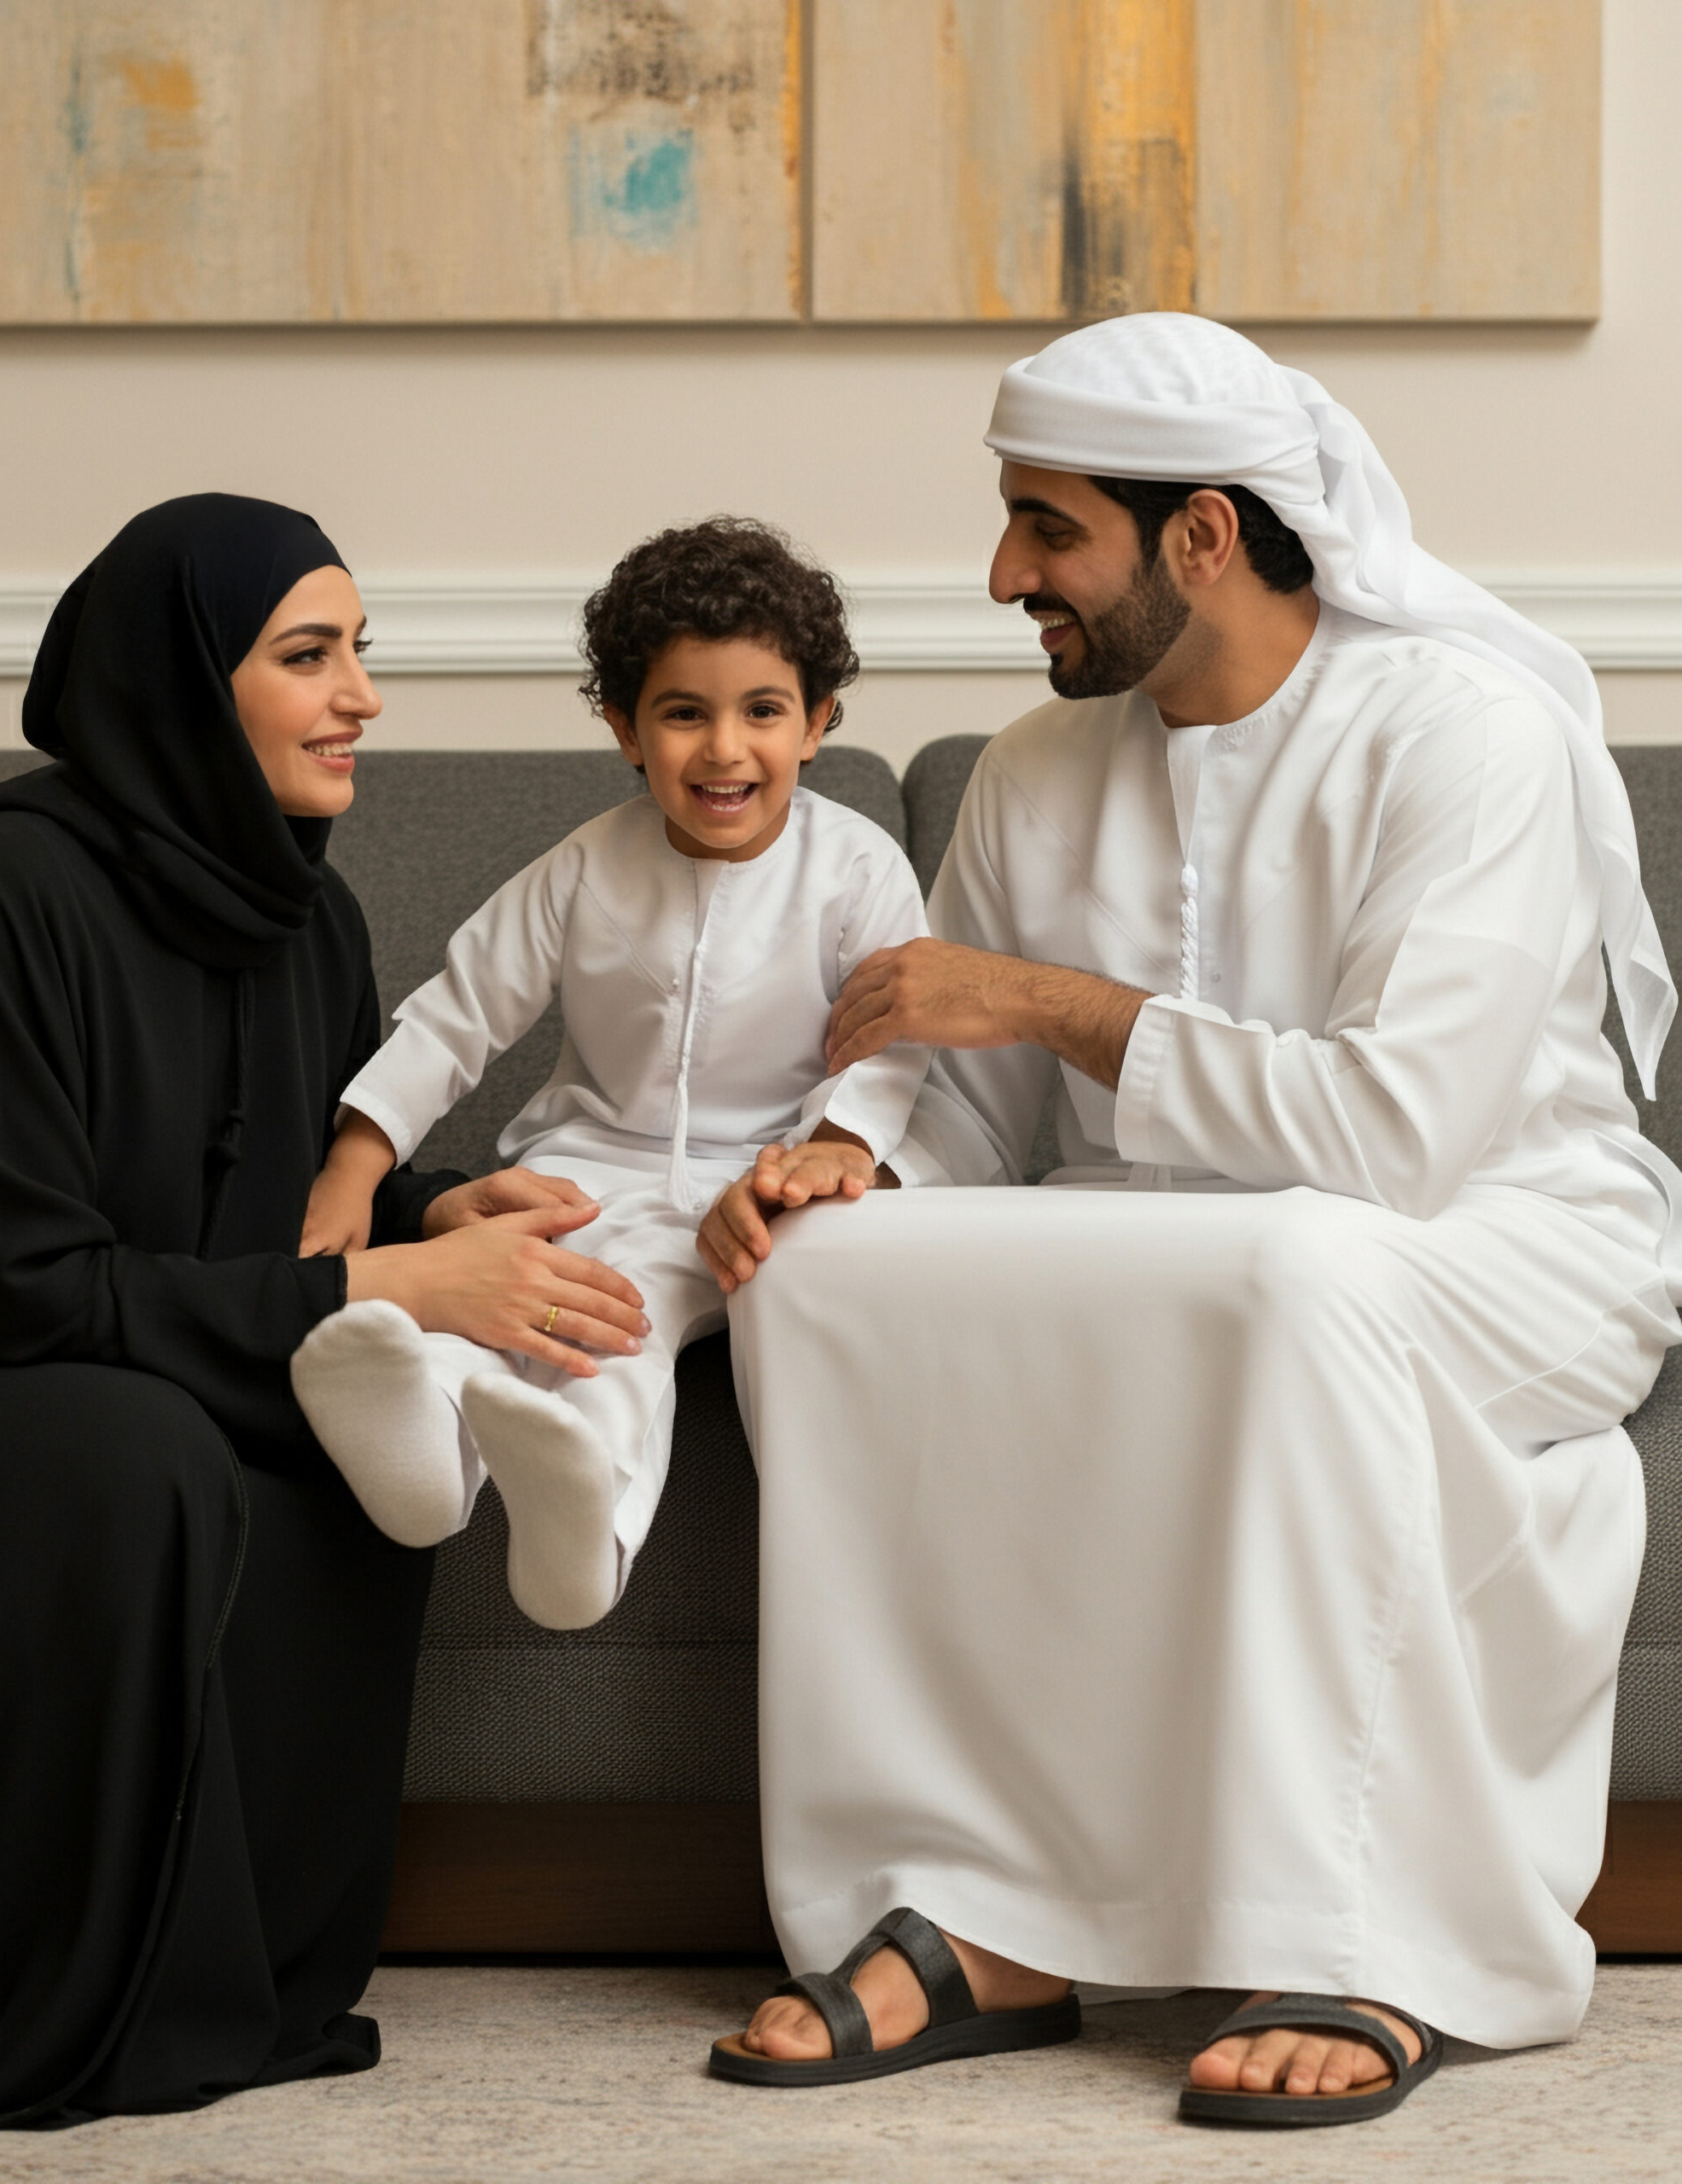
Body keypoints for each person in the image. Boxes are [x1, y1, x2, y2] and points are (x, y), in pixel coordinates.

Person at [699, 316, 1681, 2127]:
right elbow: (973, 1113)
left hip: (1503, 1234)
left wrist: (1043, 1000)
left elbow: (1392, 1136)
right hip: (1167, 1252)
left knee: (1296, 1268)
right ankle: (981, 1906)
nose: (1005, 574)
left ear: (1204, 536)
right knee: (814, 1277)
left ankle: (1365, 1929)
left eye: (1048, 527)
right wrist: (856, 1169)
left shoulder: (1462, 735)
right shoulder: (1032, 768)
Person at [0, 494, 648, 2142]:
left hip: (20, 1382)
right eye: (310, 656)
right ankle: (14, 1983)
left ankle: (224, 1973)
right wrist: (379, 1285)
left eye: (361, 653)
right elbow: (1, 1286)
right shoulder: (0, 889)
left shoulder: (306, 914)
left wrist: (430, 1214)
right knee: (137, 1453)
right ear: (184, 680)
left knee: (358, 1451)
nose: (363, 696)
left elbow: (275, 1190)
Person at [290, 519, 928, 1629]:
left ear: (818, 721)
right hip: (588, 1167)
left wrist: (834, 1150)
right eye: (684, 714)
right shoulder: (582, 868)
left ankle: (589, 1539)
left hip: (754, 1190)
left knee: (627, 1311)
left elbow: (894, 1035)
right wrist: (355, 1163)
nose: (724, 749)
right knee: (505, 1272)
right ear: (625, 727)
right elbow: (454, 1017)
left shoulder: (858, 869)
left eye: (762, 711)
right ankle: (427, 1455)